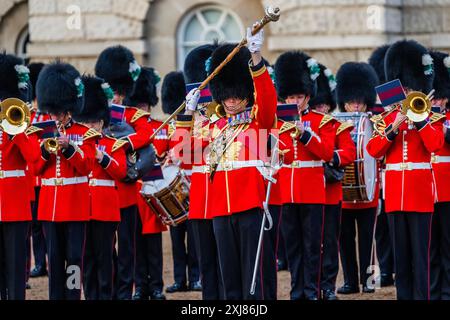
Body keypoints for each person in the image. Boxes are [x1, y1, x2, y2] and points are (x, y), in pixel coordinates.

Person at [198, 25, 277, 300]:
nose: (231, 101)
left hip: (250, 206)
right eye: (227, 96)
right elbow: (190, 151)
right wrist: (188, 114)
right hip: (220, 209)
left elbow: (267, 99)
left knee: (255, 278)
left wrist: (255, 59)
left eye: (236, 95)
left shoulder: (258, 122)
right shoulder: (214, 126)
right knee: (229, 279)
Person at [366, 40, 445, 300]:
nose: (408, 93)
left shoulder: (429, 116)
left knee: (422, 258)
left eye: (412, 88)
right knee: (402, 260)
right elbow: (373, 150)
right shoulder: (387, 118)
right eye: (405, 87)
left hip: (421, 198)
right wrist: (394, 126)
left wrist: (420, 121)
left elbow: (435, 144)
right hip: (395, 200)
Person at [274, 51, 335, 300]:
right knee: (293, 247)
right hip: (286, 191)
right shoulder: (277, 122)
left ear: (308, 96)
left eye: (299, 96)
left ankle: (312, 290)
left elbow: (326, 152)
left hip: (311, 191)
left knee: (312, 247)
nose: (295, 101)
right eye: (291, 96)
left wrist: (305, 134)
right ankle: (297, 290)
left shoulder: (321, 121)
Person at [95, 46, 155, 299]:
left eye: (120, 93)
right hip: (105, 193)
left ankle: (125, 292)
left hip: (127, 190)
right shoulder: (96, 117)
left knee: (128, 249)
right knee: (105, 248)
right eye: (113, 93)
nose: (117, 98)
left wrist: (126, 141)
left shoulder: (133, 115)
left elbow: (147, 134)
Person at [35, 62, 98, 300]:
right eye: (53, 110)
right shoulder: (40, 132)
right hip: (50, 207)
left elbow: (87, 166)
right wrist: (43, 151)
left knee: (74, 260)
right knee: (54, 259)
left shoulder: (85, 134)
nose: (55, 115)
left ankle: (72, 296)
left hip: (75, 206)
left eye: (59, 111)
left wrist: (70, 148)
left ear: (68, 108)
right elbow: (35, 169)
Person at [173, 43, 223, 300]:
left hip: (225, 197)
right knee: (207, 265)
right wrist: (189, 113)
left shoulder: (226, 118)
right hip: (201, 201)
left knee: (227, 263)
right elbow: (182, 153)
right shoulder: (192, 119)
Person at [73, 75, 127, 300]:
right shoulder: (77, 146)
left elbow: (121, 172)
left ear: (103, 122)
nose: (91, 126)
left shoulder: (113, 144)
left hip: (105, 210)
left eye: (95, 122)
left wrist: (101, 156)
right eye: (87, 122)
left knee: (105, 259)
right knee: (85, 260)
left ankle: (107, 295)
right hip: (81, 208)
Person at [309, 64, 356, 300]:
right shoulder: (303, 125)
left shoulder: (336, 125)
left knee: (329, 243)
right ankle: (311, 285)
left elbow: (348, 152)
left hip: (329, 194)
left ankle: (327, 285)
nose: (321, 109)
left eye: (324, 105)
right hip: (307, 193)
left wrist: (332, 159)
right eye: (317, 106)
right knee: (310, 244)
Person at [334, 62, 380, 295]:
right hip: (343, 192)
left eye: (360, 101)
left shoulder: (373, 122)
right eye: (352, 101)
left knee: (367, 239)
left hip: (368, 193)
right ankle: (351, 280)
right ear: (343, 100)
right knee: (344, 239)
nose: (356, 105)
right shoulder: (334, 123)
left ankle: (369, 280)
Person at [123, 67, 169, 301]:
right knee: (135, 243)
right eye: (137, 105)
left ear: (150, 104)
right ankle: (140, 286)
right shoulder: (126, 128)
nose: (141, 109)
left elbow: (171, 153)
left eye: (144, 105)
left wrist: (167, 158)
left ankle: (157, 286)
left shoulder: (161, 126)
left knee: (153, 243)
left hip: (153, 186)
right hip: (133, 187)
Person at [0, 53, 40, 300]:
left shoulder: (20, 121)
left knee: (15, 264)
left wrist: (17, 132)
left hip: (14, 203)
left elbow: (34, 157)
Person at [161, 71, 202, 294]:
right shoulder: (168, 127)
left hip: (193, 183)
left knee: (194, 238)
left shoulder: (194, 125)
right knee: (177, 238)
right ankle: (180, 279)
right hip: (175, 188)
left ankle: (195, 277)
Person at [368, 46, 395, 287]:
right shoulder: (376, 112)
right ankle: (386, 269)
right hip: (382, 175)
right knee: (383, 228)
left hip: (398, 177)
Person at [428, 50, 450, 300]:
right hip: (425, 190)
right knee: (430, 247)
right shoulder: (420, 117)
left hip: (447, 189)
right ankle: (433, 291)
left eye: (440, 98)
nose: (437, 102)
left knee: (447, 245)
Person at [27, 62, 49, 279]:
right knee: (34, 225)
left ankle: (50, 261)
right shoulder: (30, 116)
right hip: (33, 178)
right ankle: (39, 262)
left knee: (47, 224)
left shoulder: (50, 117)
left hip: (47, 178)